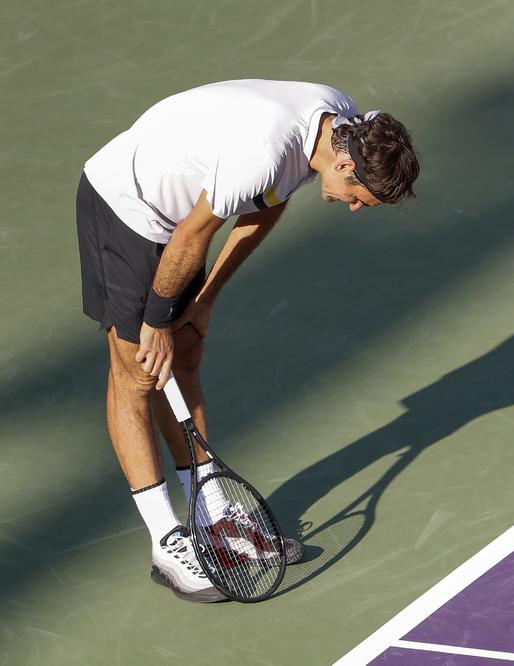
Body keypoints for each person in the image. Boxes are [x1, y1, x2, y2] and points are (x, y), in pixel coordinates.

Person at [75, 79, 420, 602]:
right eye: (358, 199)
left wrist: (206, 298)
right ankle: (167, 541)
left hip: (181, 213)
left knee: (185, 354)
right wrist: (157, 321)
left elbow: (268, 205)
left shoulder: (340, 125)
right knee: (138, 371)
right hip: (127, 206)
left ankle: (212, 516)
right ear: (347, 167)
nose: (352, 207)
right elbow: (195, 236)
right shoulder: (263, 153)